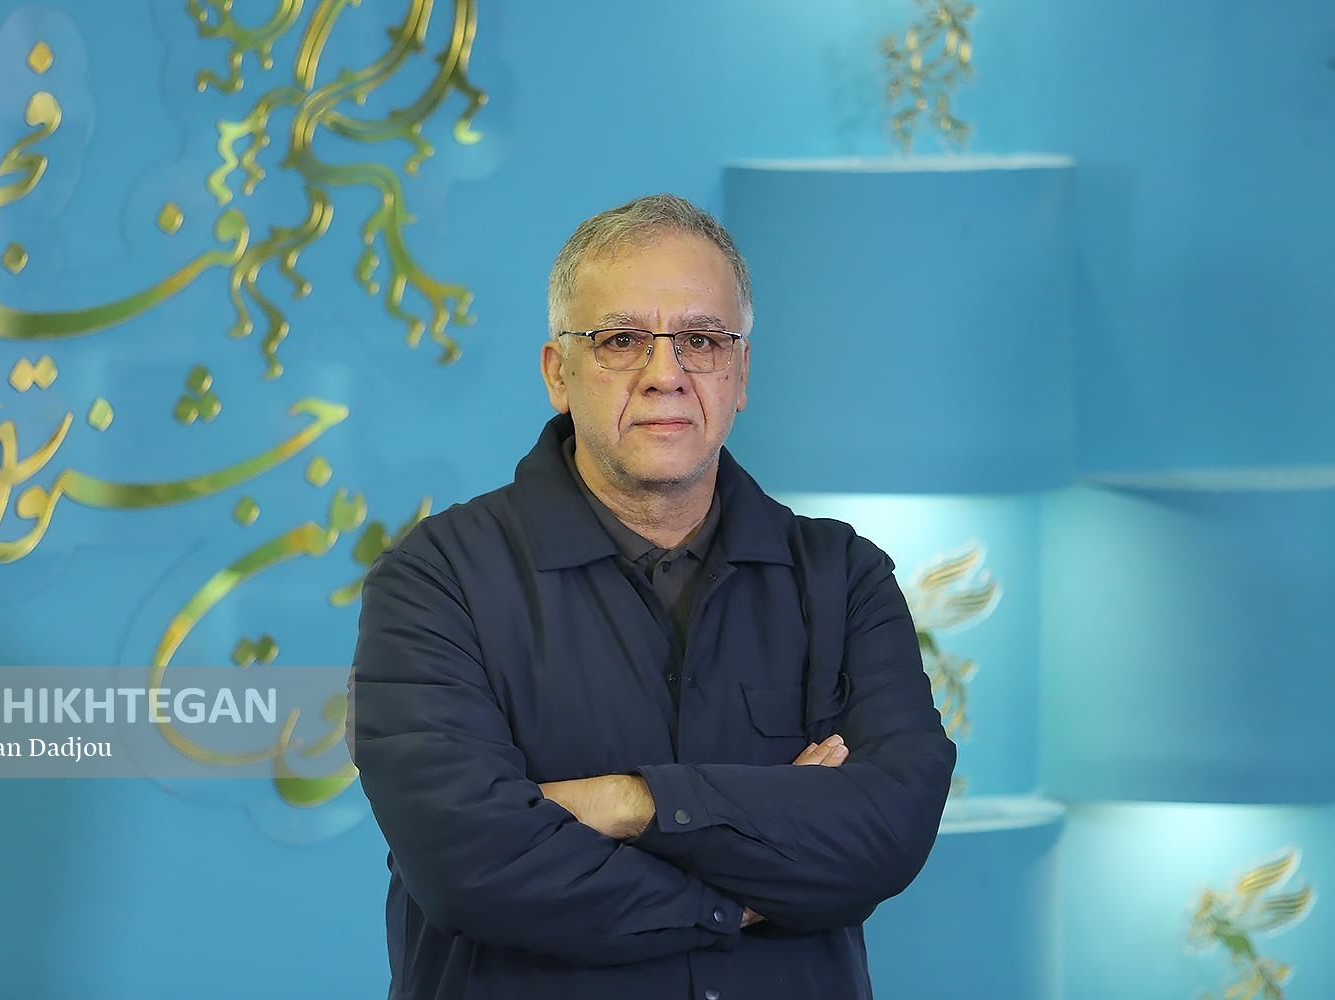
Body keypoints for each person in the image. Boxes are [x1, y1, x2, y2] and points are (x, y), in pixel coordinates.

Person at [349, 193, 955, 999]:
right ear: (558, 373)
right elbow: (468, 865)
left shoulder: (843, 577)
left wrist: (629, 802)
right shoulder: (436, 580)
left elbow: (887, 832)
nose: (665, 375)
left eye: (701, 341)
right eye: (622, 340)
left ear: (741, 375)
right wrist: (744, 888)